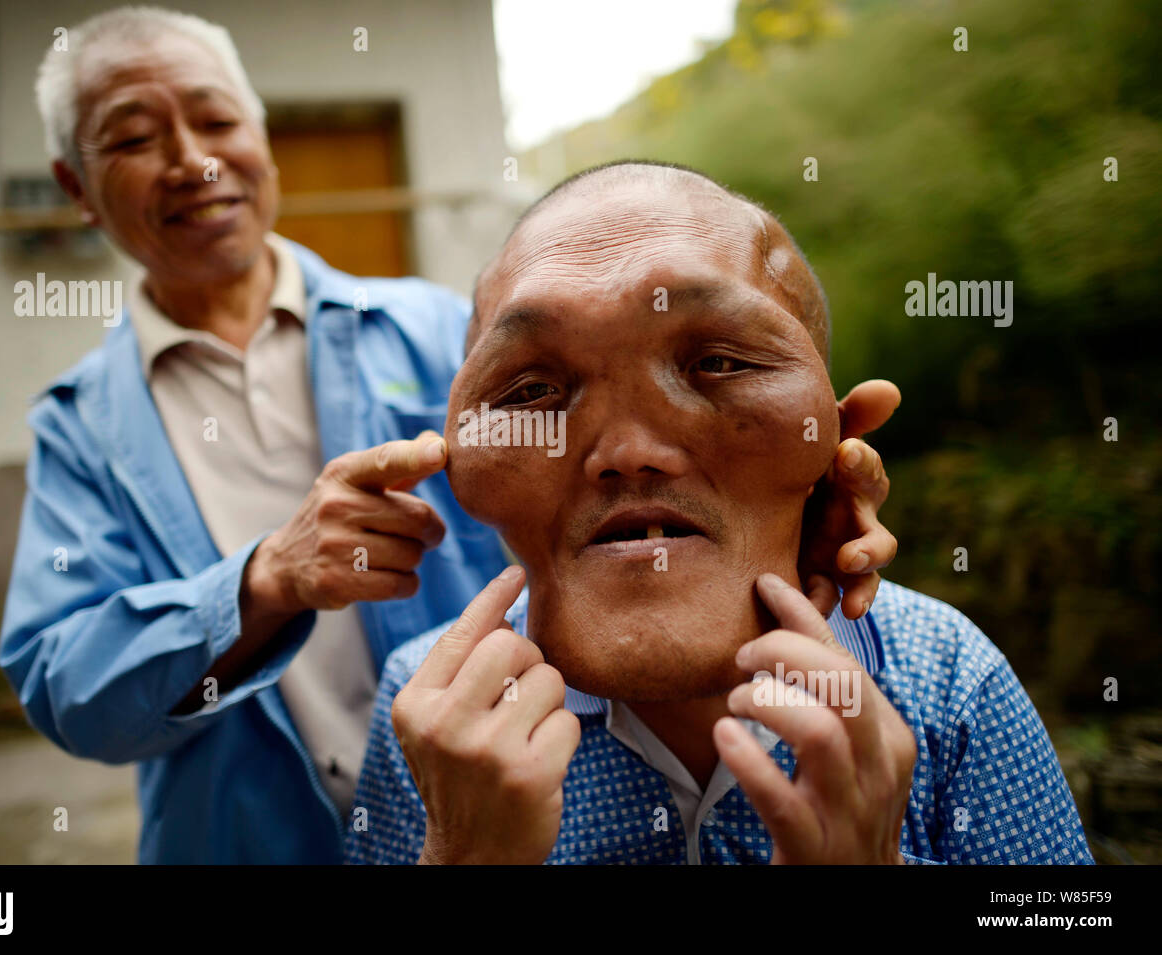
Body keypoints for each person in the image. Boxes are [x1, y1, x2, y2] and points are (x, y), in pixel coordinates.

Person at [0, 6, 897, 863]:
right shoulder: (80, 427)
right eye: (132, 138)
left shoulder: (441, 335)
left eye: (216, 120)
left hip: (545, 808)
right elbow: (68, 689)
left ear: (261, 138)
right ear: (76, 187)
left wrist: (789, 514)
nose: (192, 162)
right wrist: (269, 580)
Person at [345, 161, 1094, 865]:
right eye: (534, 390)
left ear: (837, 436)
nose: (631, 450)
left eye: (720, 364)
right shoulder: (435, 717)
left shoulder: (943, 678)